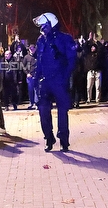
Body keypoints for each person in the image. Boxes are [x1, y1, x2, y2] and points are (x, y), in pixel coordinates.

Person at [32, 12, 78, 152]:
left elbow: (72, 61)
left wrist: (65, 77)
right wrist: (36, 78)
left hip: (59, 80)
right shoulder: (41, 40)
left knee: (62, 111)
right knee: (43, 110)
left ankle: (64, 140)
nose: (42, 29)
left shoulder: (65, 39)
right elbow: (39, 61)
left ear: (51, 24)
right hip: (45, 82)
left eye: (44, 26)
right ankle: (48, 138)